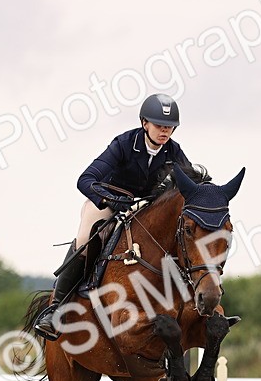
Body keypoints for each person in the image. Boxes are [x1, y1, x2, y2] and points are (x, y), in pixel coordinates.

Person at [33, 93, 192, 340]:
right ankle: (56, 308)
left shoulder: (174, 151)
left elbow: (189, 185)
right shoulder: (124, 144)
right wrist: (109, 199)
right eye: (160, 125)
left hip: (145, 209)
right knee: (87, 235)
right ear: (144, 123)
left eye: (170, 127)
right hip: (109, 203)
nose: (165, 131)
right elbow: (84, 180)